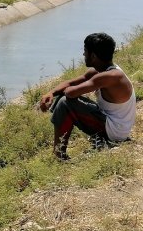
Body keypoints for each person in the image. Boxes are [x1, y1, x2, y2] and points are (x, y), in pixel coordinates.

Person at [38, 32, 136, 160]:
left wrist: (62, 93)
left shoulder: (110, 76)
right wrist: (50, 93)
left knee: (65, 102)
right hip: (112, 123)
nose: (83, 54)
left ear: (93, 55)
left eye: (85, 51)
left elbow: (70, 92)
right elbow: (70, 83)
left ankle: (58, 154)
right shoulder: (103, 70)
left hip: (115, 131)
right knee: (65, 98)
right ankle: (59, 150)